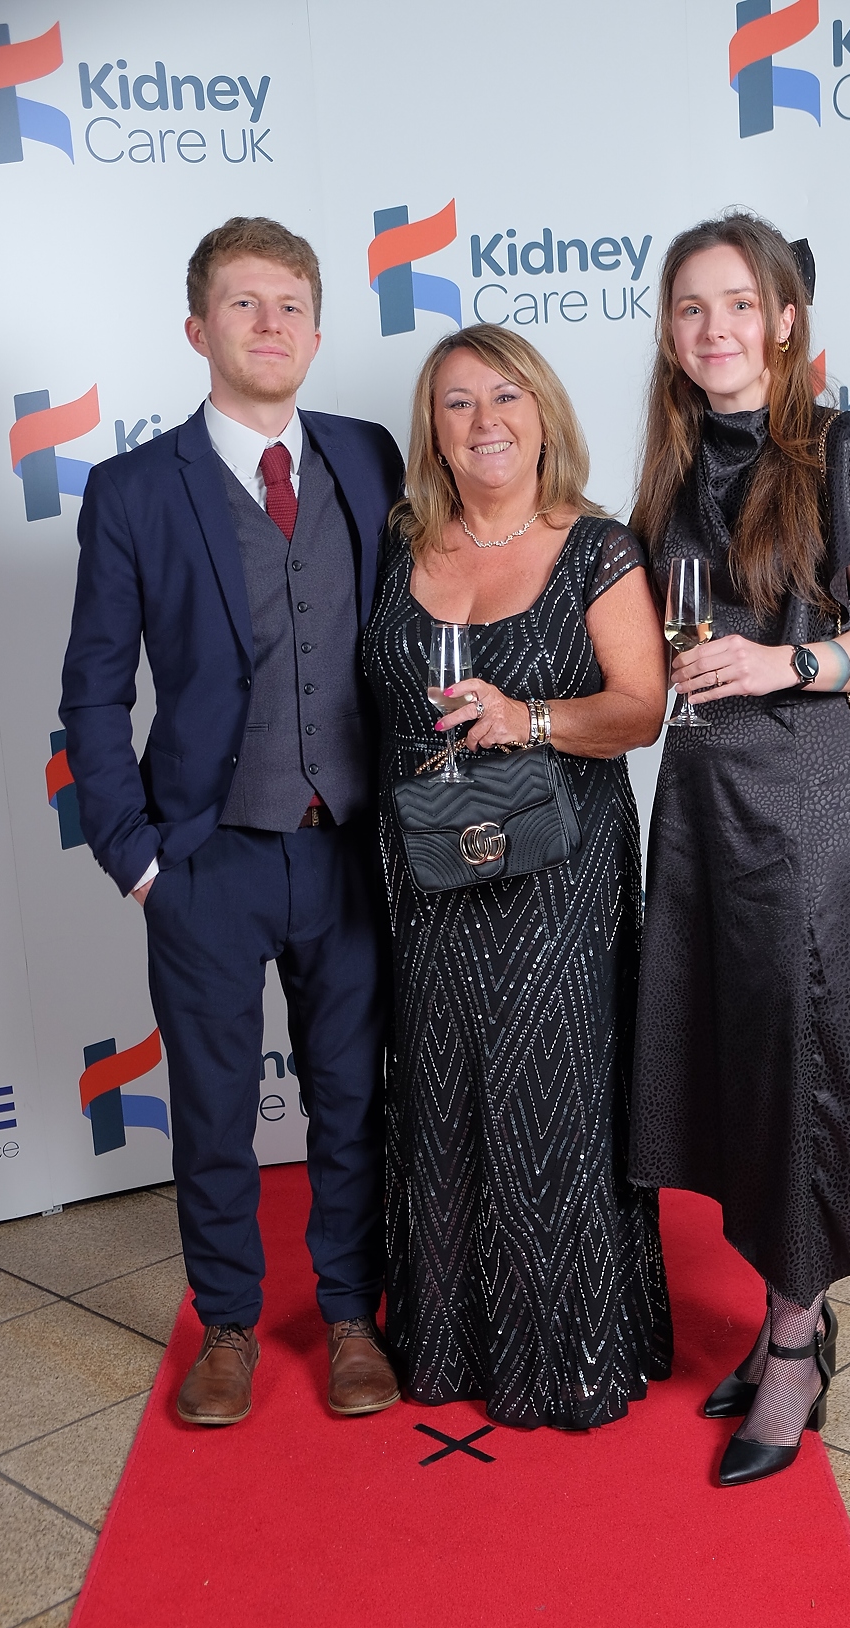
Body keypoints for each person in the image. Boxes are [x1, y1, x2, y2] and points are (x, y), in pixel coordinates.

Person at [61, 217, 404, 1427]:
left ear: (317, 327)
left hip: (353, 850)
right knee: (212, 1106)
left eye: (292, 306)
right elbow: (95, 689)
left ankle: (353, 1314)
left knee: (352, 1094)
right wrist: (138, 858)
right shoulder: (133, 490)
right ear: (199, 328)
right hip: (205, 857)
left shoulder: (370, 459)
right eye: (246, 305)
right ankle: (229, 1325)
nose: (272, 326)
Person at [628, 213, 850, 1486]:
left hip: (812, 801)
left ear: (787, 318)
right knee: (740, 1057)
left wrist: (783, 661)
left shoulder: (845, 449)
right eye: (692, 309)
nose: (716, 330)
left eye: (739, 305)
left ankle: (800, 1342)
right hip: (701, 802)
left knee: (803, 1056)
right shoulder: (674, 465)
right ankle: (779, 1305)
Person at [362, 324, 673, 1429]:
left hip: (561, 874)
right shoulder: (398, 540)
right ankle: (450, 1343)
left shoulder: (598, 547)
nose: (485, 421)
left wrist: (526, 716)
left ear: (545, 413)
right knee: (441, 1089)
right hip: (430, 877)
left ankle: (573, 1348)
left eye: (506, 396)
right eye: (457, 403)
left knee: (552, 1097)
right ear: (431, 431)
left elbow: (641, 708)